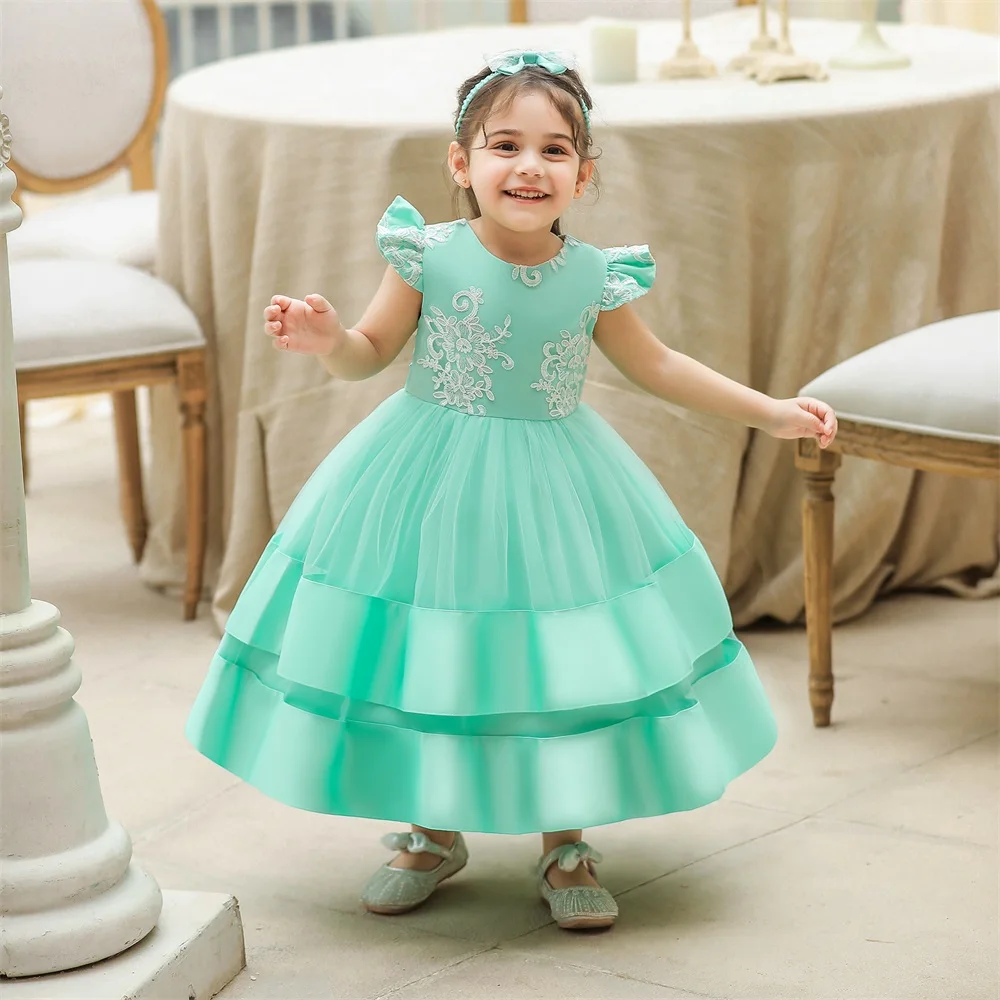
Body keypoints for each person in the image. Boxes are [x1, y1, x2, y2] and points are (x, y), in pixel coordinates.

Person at [186, 50, 837, 932]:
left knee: (553, 657)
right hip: (427, 480)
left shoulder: (593, 275)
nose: (529, 166)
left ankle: (565, 841)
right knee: (431, 651)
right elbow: (368, 355)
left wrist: (773, 413)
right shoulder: (427, 255)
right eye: (505, 145)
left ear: (583, 175)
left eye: (554, 150)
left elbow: (659, 366)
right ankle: (432, 830)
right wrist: (328, 338)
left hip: (553, 488)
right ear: (462, 163)